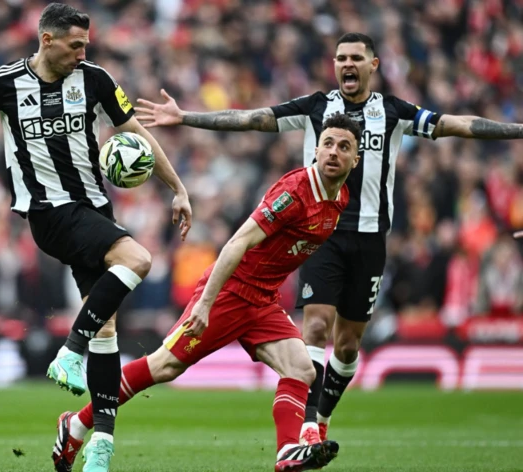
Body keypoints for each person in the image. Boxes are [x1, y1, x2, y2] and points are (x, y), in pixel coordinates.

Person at [132, 32, 523, 445]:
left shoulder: (393, 111)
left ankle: (320, 419)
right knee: (316, 325)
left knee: (349, 345)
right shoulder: (317, 107)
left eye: (356, 57)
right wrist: (188, 116)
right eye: (340, 58)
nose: (347, 64)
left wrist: (518, 131)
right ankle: (306, 428)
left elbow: (455, 125)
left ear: (373, 65)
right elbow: (253, 118)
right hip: (321, 233)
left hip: (371, 240)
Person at [0, 4, 192, 472]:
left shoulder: (95, 80)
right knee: (139, 258)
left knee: (107, 327)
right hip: (48, 212)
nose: (82, 53)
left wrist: (178, 188)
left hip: (94, 210)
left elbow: (136, 134)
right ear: (46, 40)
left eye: (86, 45)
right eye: (74, 45)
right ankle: (70, 350)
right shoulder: (5, 82)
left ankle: (95, 440)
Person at [52, 113, 361, 472]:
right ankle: (75, 424)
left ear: (356, 159)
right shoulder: (294, 192)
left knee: (302, 370)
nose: (333, 152)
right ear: (316, 149)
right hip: (230, 292)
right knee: (163, 366)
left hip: (263, 299)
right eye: (327, 144)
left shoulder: (340, 199)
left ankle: (286, 452)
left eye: (344, 147)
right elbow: (237, 242)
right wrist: (206, 304)